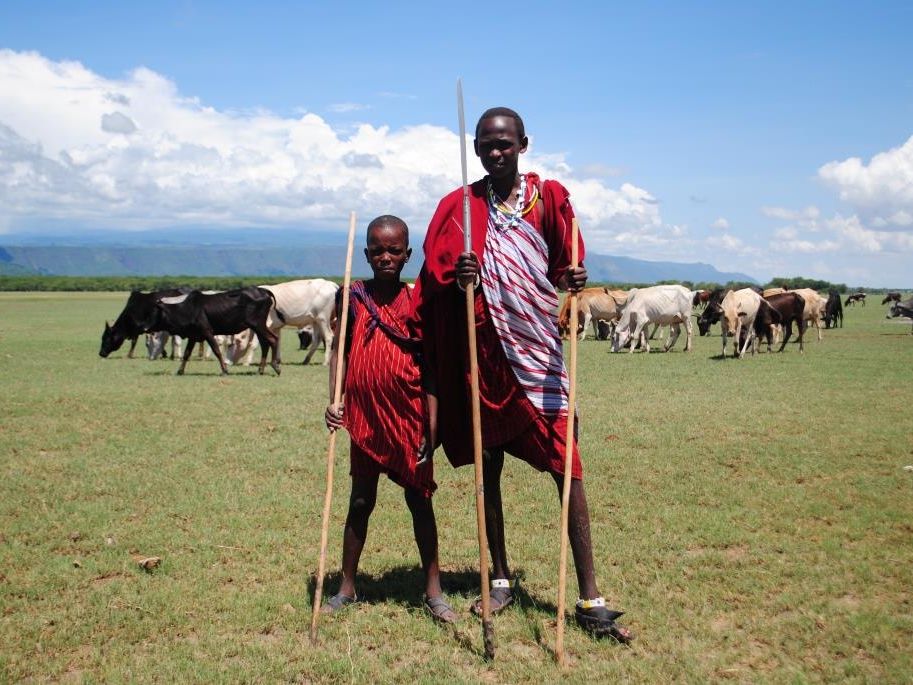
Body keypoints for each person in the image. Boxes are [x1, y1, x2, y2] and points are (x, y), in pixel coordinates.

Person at [412, 108, 632, 642]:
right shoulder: (461, 208)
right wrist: (459, 276)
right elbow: (435, 279)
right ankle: (502, 578)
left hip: (539, 356)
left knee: (568, 468)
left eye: (504, 144)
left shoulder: (549, 198)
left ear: (523, 144)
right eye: (485, 145)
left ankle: (589, 595)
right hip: (485, 357)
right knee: (489, 470)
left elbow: (561, 266)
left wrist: (574, 277)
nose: (494, 153)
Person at [321, 215, 457, 624]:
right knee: (360, 500)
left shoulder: (417, 301)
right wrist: (334, 401)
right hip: (363, 420)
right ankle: (347, 585)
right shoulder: (353, 297)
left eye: (394, 250)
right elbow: (339, 355)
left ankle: (433, 589)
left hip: (409, 416)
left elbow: (430, 367)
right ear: (365, 253)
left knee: (420, 499)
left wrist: (432, 425)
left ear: (407, 255)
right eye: (377, 250)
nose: (385, 257)